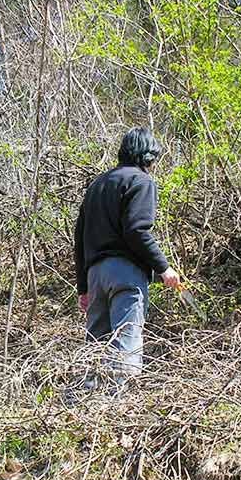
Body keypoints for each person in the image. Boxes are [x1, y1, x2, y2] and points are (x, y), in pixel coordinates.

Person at [73, 126, 181, 391]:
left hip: (95, 275)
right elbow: (137, 230)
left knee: (96, 344)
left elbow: (80, 238)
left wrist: (83, 288)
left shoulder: (97, 184)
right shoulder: (140, 181)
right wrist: (163, 268)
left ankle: (90, 401)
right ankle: (121, 403)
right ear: (147, 157)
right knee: (126, 338)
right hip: (126, 273)